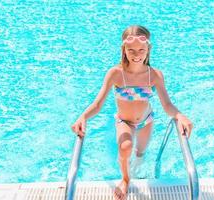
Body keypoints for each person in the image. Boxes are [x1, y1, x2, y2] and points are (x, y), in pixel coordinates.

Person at [71, 25, 193, 200]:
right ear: (124, 50)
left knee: (140, 154)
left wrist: (180, 115)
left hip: (146, 121)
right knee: (125, 147)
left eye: (141, 50)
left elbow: (167, 104)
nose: (137, 55)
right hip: (125, 121)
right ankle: (125, 179)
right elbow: (98, 104)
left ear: (148, 50)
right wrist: (82, 116)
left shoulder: (154, 75)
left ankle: (133, 166)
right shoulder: (116, 73)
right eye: (131, 50)